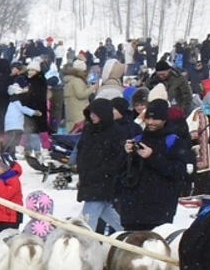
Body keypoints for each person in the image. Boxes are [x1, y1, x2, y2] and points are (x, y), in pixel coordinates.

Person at [115, 100, 189, 231]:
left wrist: (152, 157)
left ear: (164, 120)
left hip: (159, 207)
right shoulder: (138, 138)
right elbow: (120, 169)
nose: (150, 122)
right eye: (148, 118)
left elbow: (178, 171)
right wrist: (126, 153)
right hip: (132, 207)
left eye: (155, 119)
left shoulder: (174, 141)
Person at [74, 97, 126, 232]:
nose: (92, 116)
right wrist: (81, 168)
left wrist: (103, 172)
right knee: (106, 211)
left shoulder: (116, 132)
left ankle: (85, 242)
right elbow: (81, 149)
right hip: (88, 178)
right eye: (90, 113)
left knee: (88, 218)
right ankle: (126, 233)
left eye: (95, 113)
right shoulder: (89, 129)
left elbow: (118, 158)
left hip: (103, 179)